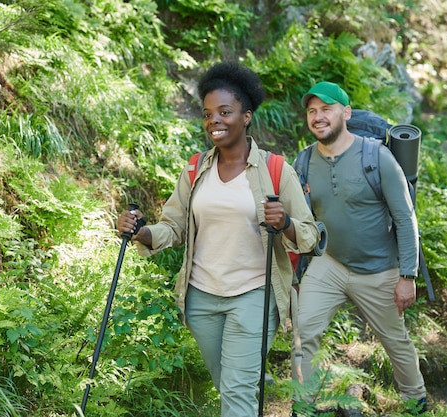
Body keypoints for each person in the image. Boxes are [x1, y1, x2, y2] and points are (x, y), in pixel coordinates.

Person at [117, 61, 320, 417]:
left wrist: (285, 222)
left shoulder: (275, 170)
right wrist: (141, 232)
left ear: (246, 116)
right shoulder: (196, 169)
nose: (215, 121)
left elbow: (309, 236)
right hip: (201, 299)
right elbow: (173, 227)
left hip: (255, 296)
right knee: (229, 387)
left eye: (225, 112)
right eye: (208, 114)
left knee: (238, 394)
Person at [293, 81, 427, 414]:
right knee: (302, 335)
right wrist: (294, 271)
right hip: (331, 264)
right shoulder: (305, 160)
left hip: (379, 270)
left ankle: (416, 402)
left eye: (327, 109)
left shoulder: (377, 157)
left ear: (346, 113)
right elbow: (299, 221)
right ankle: (302, 407)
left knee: (396, 343)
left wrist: (407, 275)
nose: (318, 117)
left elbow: (406, 218)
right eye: (312, 111)